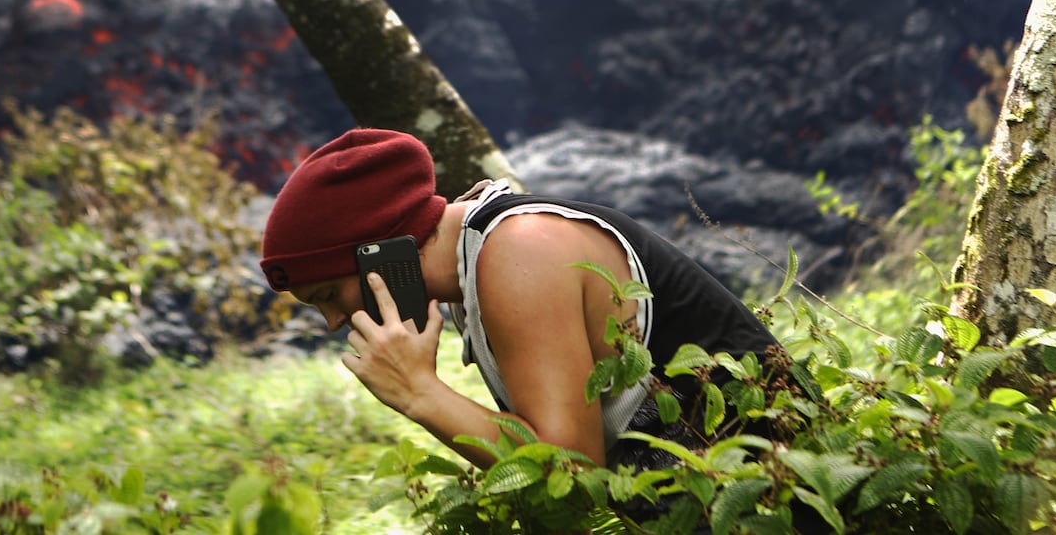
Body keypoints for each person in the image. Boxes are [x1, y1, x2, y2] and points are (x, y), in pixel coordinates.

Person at [258, 127, 800, 477]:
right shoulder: (475, 265)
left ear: (381, 252)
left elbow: (571, 467)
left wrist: (421, 394)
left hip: (781, 493)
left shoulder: (517, 254)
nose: (332, 320)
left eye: (329, 294)